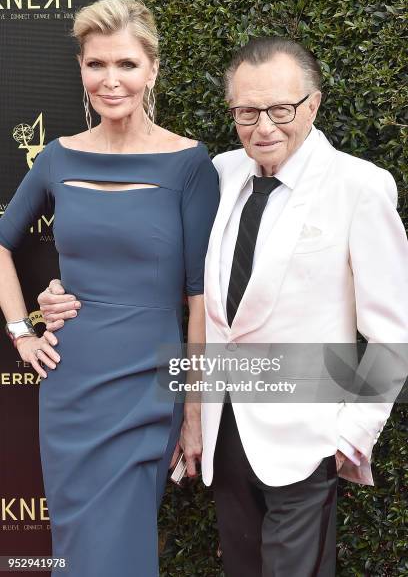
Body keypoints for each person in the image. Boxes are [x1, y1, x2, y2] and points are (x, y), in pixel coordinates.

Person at [38, 37, 408, 576]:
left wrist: (348, 438)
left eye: (281, 109)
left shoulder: (360, 187)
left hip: (307, 437)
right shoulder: (222, 172)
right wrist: (64, 297)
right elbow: (176, 283)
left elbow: (392, 333)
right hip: (223, 433)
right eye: (247, 111)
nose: (264, 127)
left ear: (314, 104)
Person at [0, 0, 219, 577]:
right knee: (77, 544)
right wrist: (23, 329)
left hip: (149, 379)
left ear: (151, 70)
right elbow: (2, 243)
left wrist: (194, 413)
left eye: (125, 64)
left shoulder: (191, 165)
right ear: (81, 71)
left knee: (120, 543)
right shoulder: (56, 158)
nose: (110, 79)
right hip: (72, 382)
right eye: (97, 64)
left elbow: (199, 301)